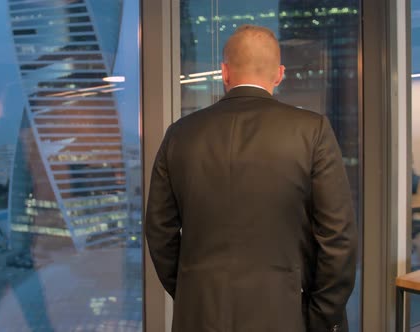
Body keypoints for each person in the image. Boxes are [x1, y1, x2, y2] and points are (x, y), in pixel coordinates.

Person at [145, 25, 357, 332]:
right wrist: (319, 316)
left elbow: (160, 232)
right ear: (279, 73)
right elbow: (338, 239)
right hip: (284, 315)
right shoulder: (312, 131)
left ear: (225, 72)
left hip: (200, 315)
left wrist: (193, 292)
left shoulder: (180, 135)